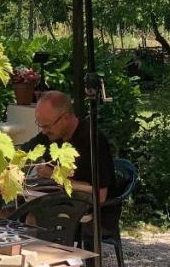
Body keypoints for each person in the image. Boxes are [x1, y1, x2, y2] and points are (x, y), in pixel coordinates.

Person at [18, 90, 118, 232]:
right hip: (57, 199)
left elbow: (100, 195)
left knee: (34, 219)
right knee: (7, 214)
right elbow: (22, 153)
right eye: (40, 126)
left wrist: (54, 175)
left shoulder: (92, 140)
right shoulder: (51, 135)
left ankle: (40, 254)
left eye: (47, 126)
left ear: (65, 118)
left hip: (93, 210)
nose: (44, 131)